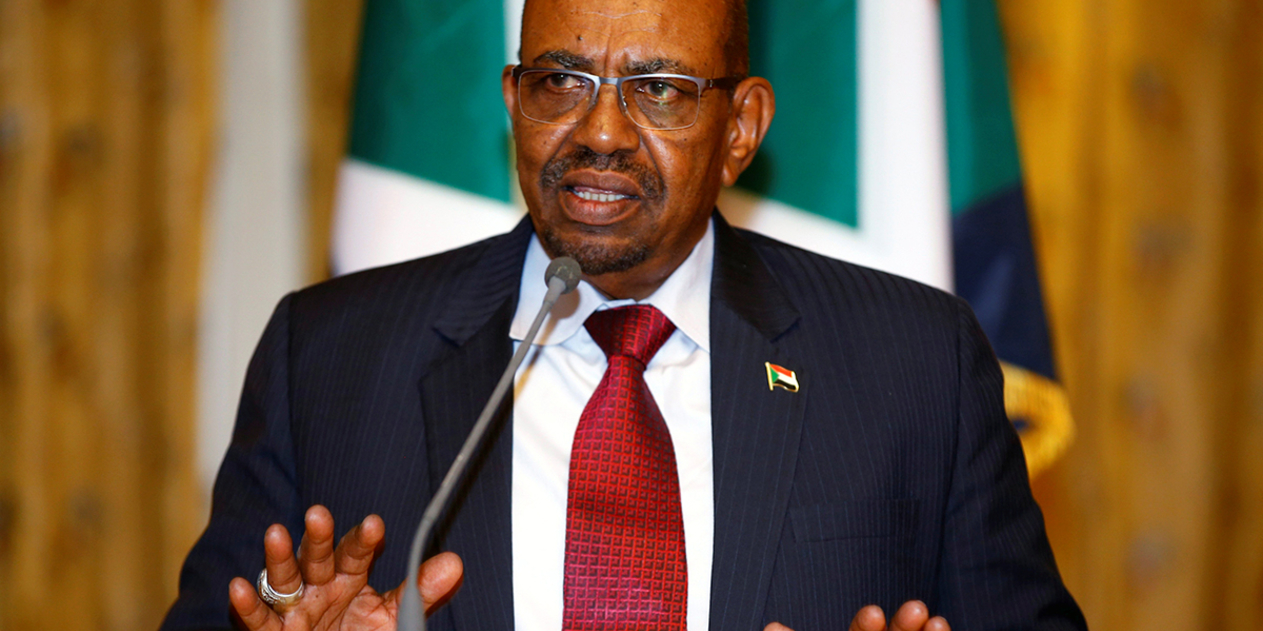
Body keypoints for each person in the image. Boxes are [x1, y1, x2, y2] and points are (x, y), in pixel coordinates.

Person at [162, 0, 1088, 629]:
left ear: (741, 128)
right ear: (511, 99)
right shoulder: (328, 356)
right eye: (559, 81)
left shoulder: (912, 362)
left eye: (659, 90)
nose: (600, 132)